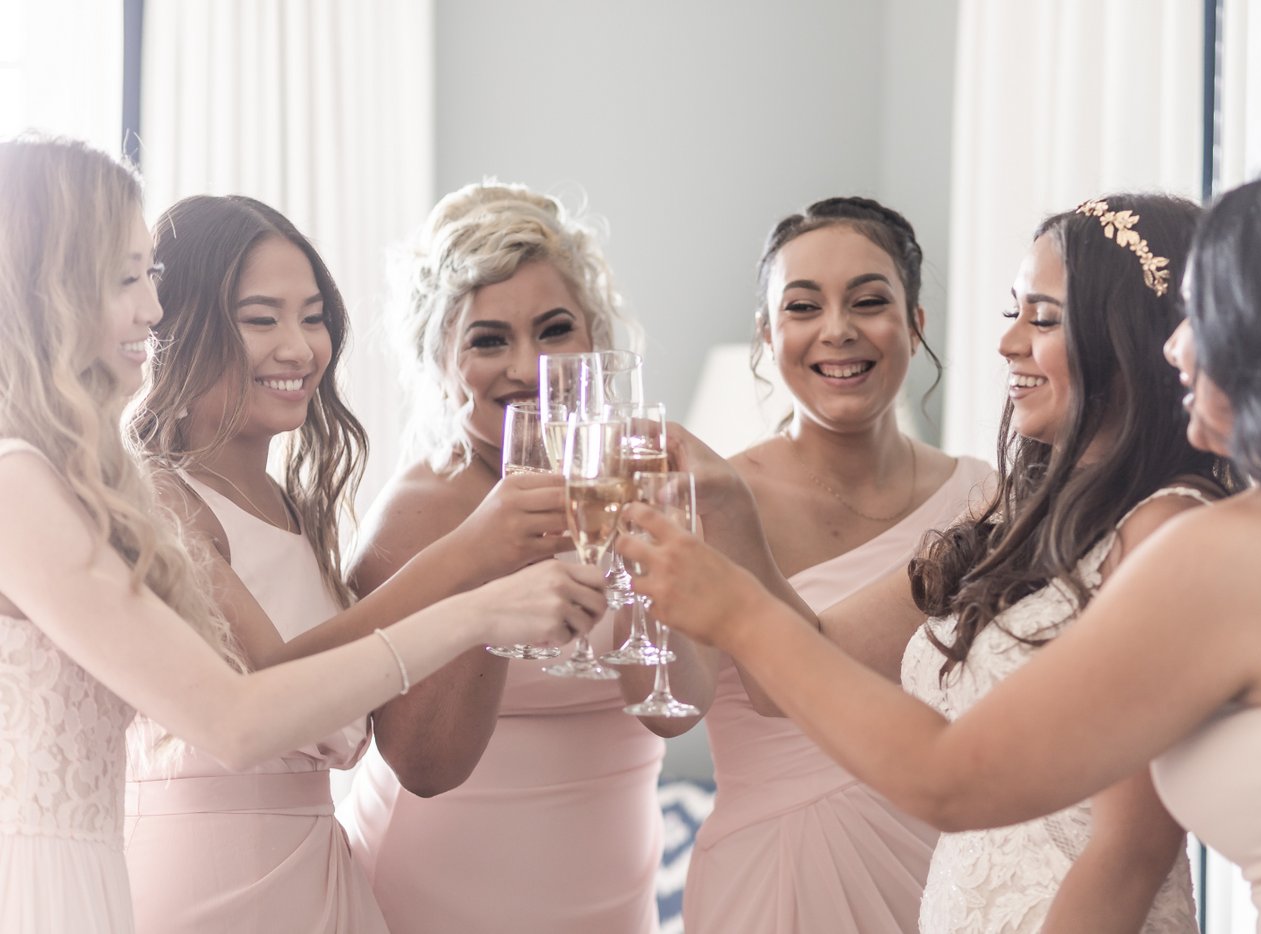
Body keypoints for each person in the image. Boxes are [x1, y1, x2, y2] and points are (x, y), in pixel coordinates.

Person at [624, 169, 1261, 933]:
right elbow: (814, 666)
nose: (1179, 346)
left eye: (1205, 313)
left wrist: (735, 609)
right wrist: (728, 518)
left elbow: (966, 784)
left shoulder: (1196, 537)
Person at [0, 136, 602, 934]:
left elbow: (338, 723)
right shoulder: (78, 486)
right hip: (161, 879)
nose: (153, 307)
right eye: (128, 278)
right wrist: (477, 587)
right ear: (52, 288)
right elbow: (243, 711)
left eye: (313, 317)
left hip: (302, 866)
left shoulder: (261, 503)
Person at [624, 197, 992, 933]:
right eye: (802, 306)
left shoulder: (982, 497)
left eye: (869, 301)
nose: (838, 330)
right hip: (774, 875)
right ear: (766, 335)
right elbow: (668, 710)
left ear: (915, 325)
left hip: (944, 866)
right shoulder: (698, 496)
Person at [337, 181, 665, 934]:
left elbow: (677, 705)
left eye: (555, 330)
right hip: (436, 904)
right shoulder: (421, 508)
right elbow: (422, 765)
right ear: (442, 361)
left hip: (613, 910)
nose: (527, 368)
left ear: (596, 341)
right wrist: (499, 559)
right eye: (489, 340)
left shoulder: (630, 487)